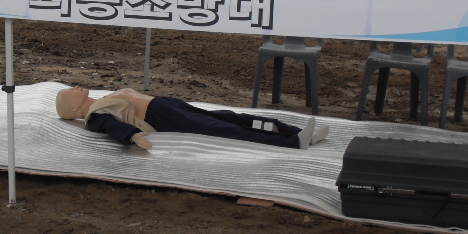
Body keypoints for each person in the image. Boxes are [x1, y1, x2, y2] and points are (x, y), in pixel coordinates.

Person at [55, 85, 329, 150]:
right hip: (162, 117)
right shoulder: (95, 116)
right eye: (71, 91)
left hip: (167, 106)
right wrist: (133, 136)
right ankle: (293, 142)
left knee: (230, 117)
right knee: (226, 130)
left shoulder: (104, 97)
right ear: (74, 107)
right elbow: (111, 127)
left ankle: (294, 131)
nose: (76, 87)